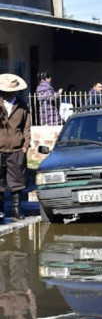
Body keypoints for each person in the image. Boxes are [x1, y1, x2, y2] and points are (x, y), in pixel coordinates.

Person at [0, 74, 31, 222]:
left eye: (10, 91)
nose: (7, 94)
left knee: (17, 181)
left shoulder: (22, 105)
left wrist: (25, 146)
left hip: (16, 148)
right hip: (0, 148)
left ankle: (16, 209)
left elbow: (26, 127)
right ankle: (0, 210)